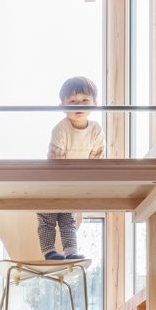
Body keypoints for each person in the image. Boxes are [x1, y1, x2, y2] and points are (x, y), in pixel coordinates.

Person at [37, 75, 105, 261]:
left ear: (95, 103)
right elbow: (56, 161)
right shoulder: (61, 129)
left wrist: (85, 182)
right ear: (63, 106)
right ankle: (49, 251)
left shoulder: (96, 130)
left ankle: (71, 251)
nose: (79, 106)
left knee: (68, 219)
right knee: (48, 218)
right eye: (73, 101)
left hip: (74, 183)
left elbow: (97, 157)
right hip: (52, 182)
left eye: (85, 100)